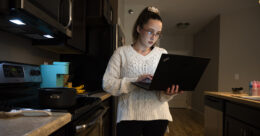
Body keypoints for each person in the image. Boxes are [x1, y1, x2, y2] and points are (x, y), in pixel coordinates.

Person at [102, 6, 182, 136]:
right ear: (139, 28)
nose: (153, 37)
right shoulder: (121, 53)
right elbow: (107, 83)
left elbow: (162, 97)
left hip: (158, 117)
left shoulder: (163, 54)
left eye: (157, 33)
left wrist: (169, 93)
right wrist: (134, 81)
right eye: (150, 31)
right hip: (129, 118)